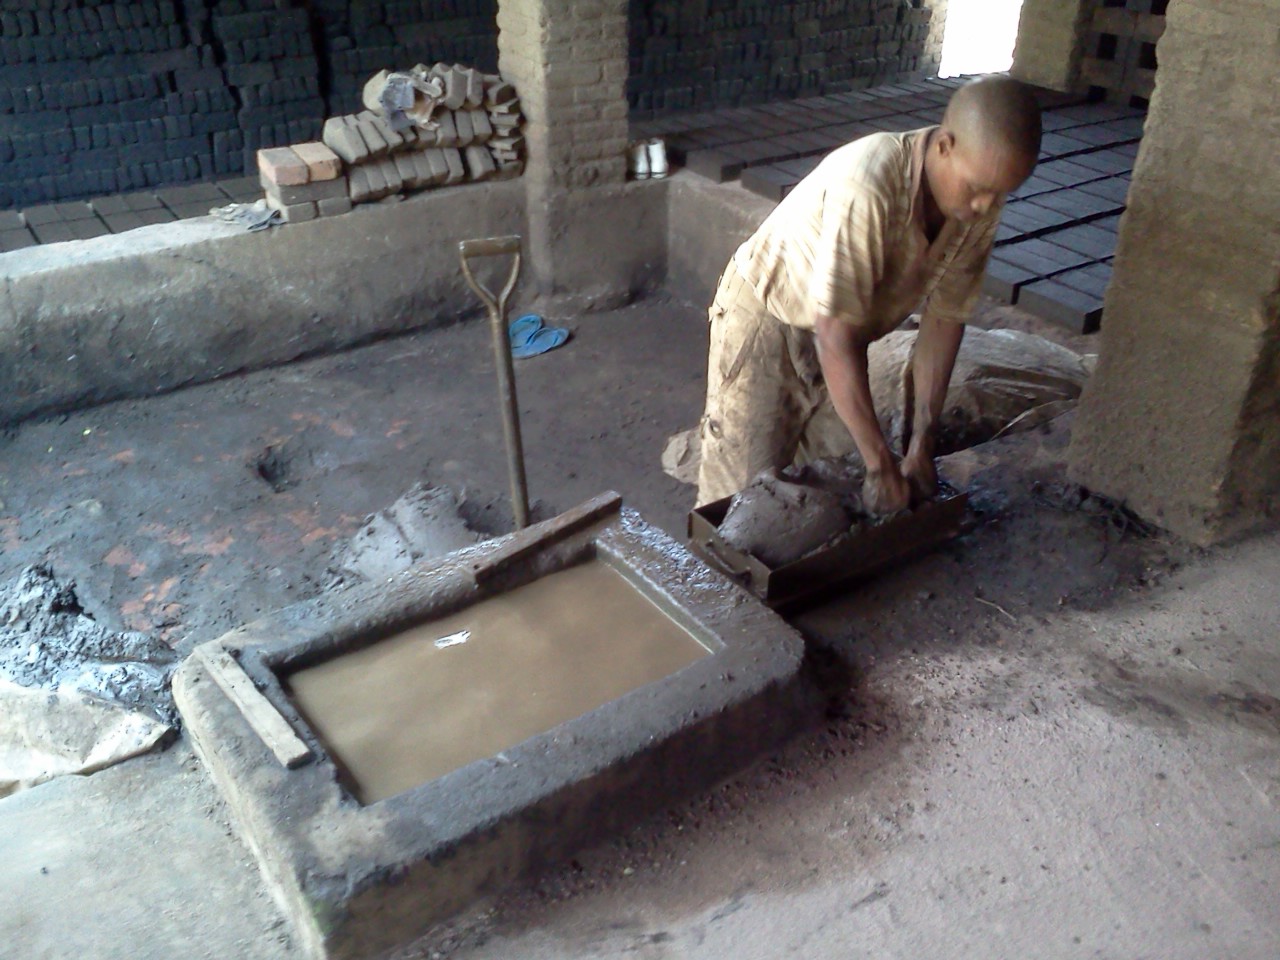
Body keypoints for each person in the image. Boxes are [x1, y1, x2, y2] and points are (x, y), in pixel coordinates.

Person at [695, 76, 1042, 514]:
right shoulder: (870, 185)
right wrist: (881, 465)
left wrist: (922, 443)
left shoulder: (978, 207)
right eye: (976, 188)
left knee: (819, 483)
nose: (985, 207)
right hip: (768, 316)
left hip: (848, 329)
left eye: (1001, 194)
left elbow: (945, 319)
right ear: (944, 146)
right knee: (738, 506)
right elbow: (834, 336)